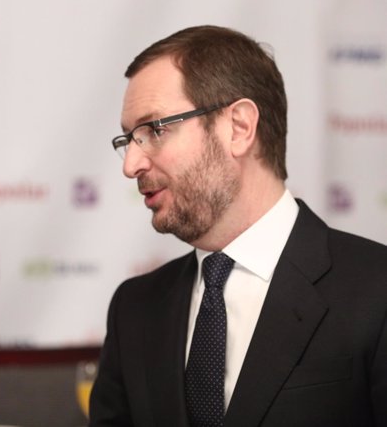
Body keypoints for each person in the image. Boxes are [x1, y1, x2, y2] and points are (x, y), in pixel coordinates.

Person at [89, 25, 387, 426]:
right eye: (128, 140)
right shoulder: (135, 309)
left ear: (240, 127)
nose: (131, 165)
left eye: (155, 130)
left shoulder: (375, 290)